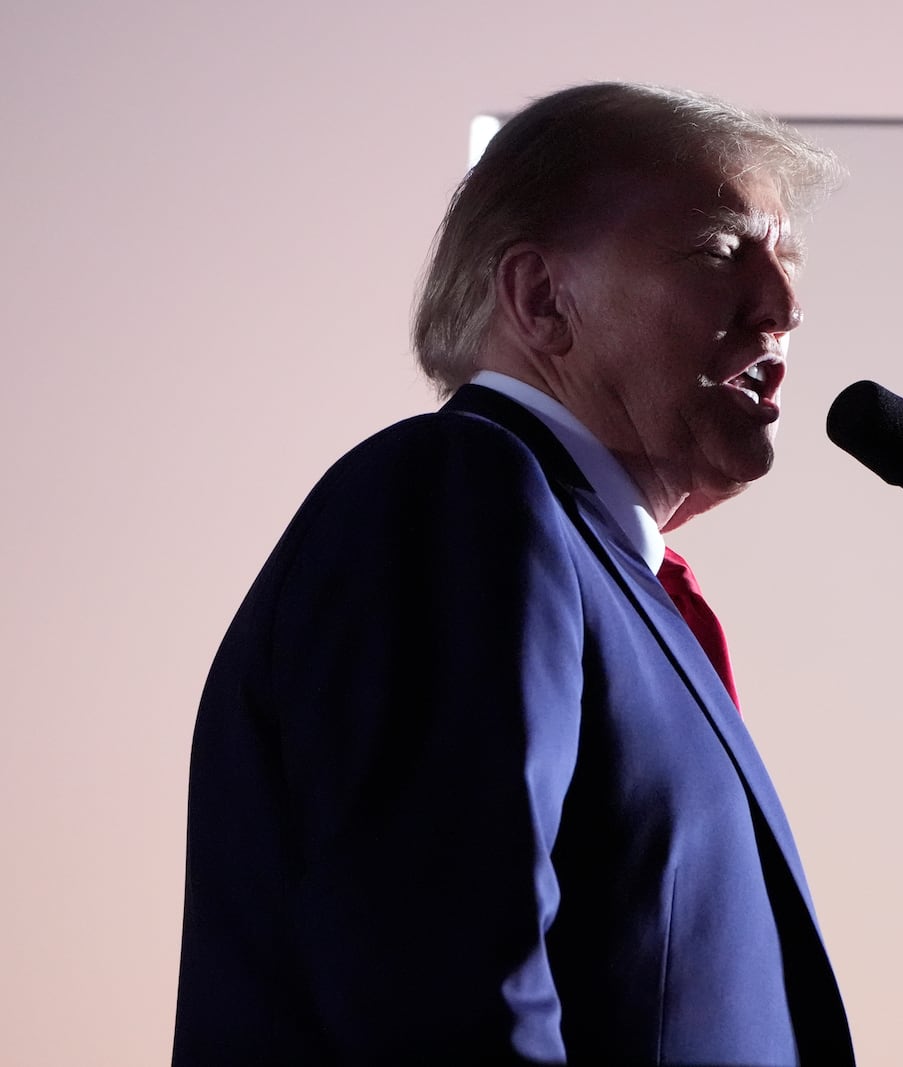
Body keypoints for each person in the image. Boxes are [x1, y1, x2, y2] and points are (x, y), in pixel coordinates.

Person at [173, 82, 852, 1066]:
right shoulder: (459, 492)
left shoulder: (598, 567)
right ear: (541, 299)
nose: (782, 308)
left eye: (784, 261)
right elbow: (440, 989)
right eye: (718, 250)